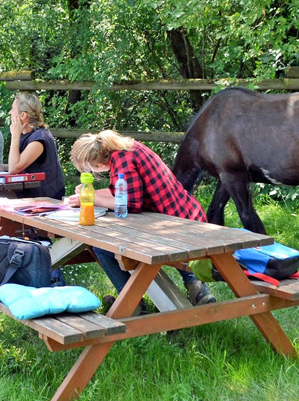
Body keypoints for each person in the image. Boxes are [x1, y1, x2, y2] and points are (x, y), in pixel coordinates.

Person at [68, 130, 217, 306]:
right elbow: (121, 191)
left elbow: (129, 203)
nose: (92, 172)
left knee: (102, 246)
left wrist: (91, 198)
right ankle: (196, 288)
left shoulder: (122, 159)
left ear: (97, 162)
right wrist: (88, 194)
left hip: (178, 224)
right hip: (183, 215)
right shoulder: (124, 150)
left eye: (89, 168)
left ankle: (131, 303)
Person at [0, 92, 65, 200]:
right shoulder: (29, 134)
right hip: (29, 193)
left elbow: (14, 169)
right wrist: (2, 167)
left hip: (46, 198)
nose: (10, 112)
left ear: (23, 115)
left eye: (13, 109)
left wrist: (15, 135)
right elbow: (22, 165)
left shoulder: (39, 138)